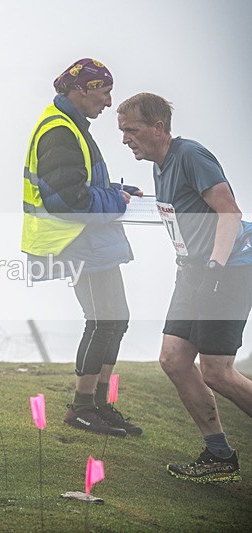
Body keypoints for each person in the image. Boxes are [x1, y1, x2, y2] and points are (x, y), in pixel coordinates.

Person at [117, 93, 252, 483]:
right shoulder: (160, 165)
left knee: (217, 372)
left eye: (132, 130)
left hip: (227, 269)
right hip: (193, 272)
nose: (125, 139)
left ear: (158, 127)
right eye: (122, 131)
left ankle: (219, 455)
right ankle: (219, 455)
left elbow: (230, 212)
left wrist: (214, 267)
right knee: (174, 359)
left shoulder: (191, 154)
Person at [21, 58, 144, 437]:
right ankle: (83, 407)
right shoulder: (60, 130)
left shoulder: (71, 125)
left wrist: (116, 190)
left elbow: (80, 184)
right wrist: (117, 200)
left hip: (88, 241)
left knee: (116, 319)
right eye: (104, 92)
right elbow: (69, 200)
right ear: (81, 90)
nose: (108, 102)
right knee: (103, 320)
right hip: (74, 241)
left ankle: (99, 405)